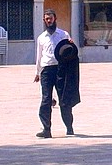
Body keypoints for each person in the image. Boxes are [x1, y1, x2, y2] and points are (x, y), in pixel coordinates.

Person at [34, 9, 80, 138]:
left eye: (51, 18)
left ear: (55, 19)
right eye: (47, 19)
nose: (49, 21)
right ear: (44, 20)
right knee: (46, 99)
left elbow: (71, 51)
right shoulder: (41, 38)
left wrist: (72, 45)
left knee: (64, 99)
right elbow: (39, 56)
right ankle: (46, 129)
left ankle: (69, 127)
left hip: (61, 69)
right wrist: (37, 72)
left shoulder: (63, 35)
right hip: (47, 70)